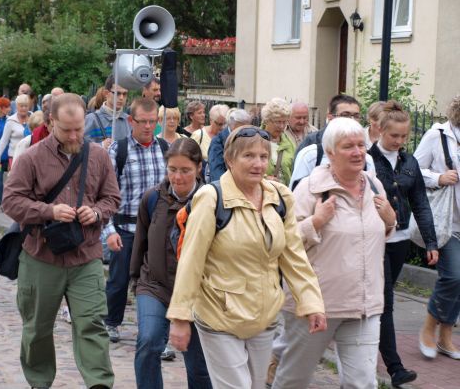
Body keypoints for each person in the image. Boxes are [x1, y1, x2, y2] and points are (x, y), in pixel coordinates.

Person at [167, 125, 326, 388]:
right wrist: (180, 318)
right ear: (229, 159)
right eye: (248, 156)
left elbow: (294, 255)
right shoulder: (211, 197)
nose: (258, 164)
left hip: (263, 316)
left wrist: (311, 302)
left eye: (263, 157)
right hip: (219, 314)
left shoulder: (280, 197)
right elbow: (191, 261)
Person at [2, 93, 120, 389]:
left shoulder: (99, 156)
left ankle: (99, 384)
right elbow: (11, 202)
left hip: (86, 255)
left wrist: (96, 212)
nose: (74, 135)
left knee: (92, 325)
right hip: (42, 256)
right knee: (37, 330)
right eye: (67, 129)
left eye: (79, 128)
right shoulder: (32, 157)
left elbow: (112, 197)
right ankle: (39, 382)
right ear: (52, 121)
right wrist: (48, 211)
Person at [272, 117, 397, 389]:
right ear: (330, 153)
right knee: (294, 379)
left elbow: (375, 235)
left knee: (362, 383)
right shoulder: (311, 189)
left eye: (361, 145)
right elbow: (284, 242)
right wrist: (315, 222)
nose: (358, 152)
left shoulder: (374, 186)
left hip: (364, 303)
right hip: (315, 306)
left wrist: (390, 220)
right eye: (348, 146)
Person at [131, 137, 212, 389]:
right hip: (155, 286)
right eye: (172, 169)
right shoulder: (152, 199)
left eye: (185, 170)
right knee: (148, 342)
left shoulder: (211, 201)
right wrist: (135, 281)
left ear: (199, 168)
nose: (178, 177)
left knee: (199, 366)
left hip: (197, 293)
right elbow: (140, 242)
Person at [368, 100, 438, 386]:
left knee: (381, 299)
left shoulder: (409, 162)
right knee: (386, 302)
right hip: (376, 239)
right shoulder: (368, 159)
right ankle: (395, 367)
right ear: (380, 130)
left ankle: (367, 340)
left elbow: (420, 202)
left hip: (401, 240)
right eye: (394, 135)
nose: (399, 141)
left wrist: (430, 242)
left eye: (404, 136)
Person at [103, 97, 168, 343]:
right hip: (126, 227)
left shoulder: (164, 149)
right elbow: (106, 195)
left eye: (153, 122)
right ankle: (112, 321)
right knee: (119, 280)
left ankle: (154, 333)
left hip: (156, 230)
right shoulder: (118, 151)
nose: (149, 127)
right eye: (143, 122)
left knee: (155, 283)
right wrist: (109, 231)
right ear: (131, 121)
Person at [414, 95, 460, 361]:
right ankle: (429, 328)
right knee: (453, 276)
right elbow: (414, 169)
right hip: (446, 221)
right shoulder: (437, 135)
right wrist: (439, 177)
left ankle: (445, 336)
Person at [290, 94, 369, 190]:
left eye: (356, 116)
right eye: (345, 115)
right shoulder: (311, 152)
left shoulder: (366, 158)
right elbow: (296, 195)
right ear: (330, 117)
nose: (352, 120)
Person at [84, 75, 130, 146]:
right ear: (106, 93)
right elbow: (81, 148)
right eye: (117, 93)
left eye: (124, 94)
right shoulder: (91, 119)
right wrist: (101, 145)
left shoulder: (130, 120)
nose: (121, 98)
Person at [207, 108, 252, 181]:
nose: (245, 132)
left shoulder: (248, 138)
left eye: (247, 128)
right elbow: (216, 172)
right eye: (241, 129)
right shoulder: (218, 141)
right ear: (232, 126)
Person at [261, 99, 297, 185]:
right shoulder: (255, 140)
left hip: (284, 194)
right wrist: (265, 179)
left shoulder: (289, 143)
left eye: (284, 122)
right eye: (278, 122)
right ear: (266, 120)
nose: (281, 126)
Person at [0, 94, 31, 170]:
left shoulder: (33, 118)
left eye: (26, 106)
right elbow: (4, 140)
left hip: (30, 157)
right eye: (21, 106)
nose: (23, 108)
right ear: (17, 106)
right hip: (14, 157)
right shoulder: (10, 121)